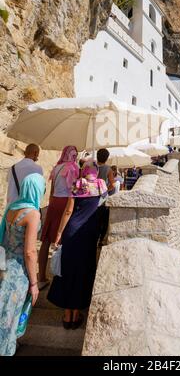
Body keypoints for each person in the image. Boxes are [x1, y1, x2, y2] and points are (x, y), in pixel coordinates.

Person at [47, 162, 107, 329]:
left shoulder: (78, 184)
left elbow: (68, 211)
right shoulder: (101, 185)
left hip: (72, 231)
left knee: (68, 270)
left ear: (83, 171)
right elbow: (103, 208)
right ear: (96, 171)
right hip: (89, 234)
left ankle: (67, 314)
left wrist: (59, 233)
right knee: (83, 270)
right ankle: (76, 312)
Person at [0, 173, 46, 356]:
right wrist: (34, 284)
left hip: (4, 268)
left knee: (4, 315)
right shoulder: (33, 214)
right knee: (10, 320)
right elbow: (30, 252)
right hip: (18, 274)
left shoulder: (11, 208)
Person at [38, 146, 79, 290]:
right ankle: (59, 281)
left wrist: (51, 204)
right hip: (66, 202)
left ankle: (41, 277)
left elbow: (52, 190)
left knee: (46, 240)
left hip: (54, 202)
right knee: (61, 241)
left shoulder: (56, 168)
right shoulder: (74, 168)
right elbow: (74, 190)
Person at [96, 149, 115, 244]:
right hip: (102, 198)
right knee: (102, 220)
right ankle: (100, 240)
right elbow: (112, 185)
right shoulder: (108, 169)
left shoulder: (92, 166)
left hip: (91, 196)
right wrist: (105, 190)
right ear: (107, 158)